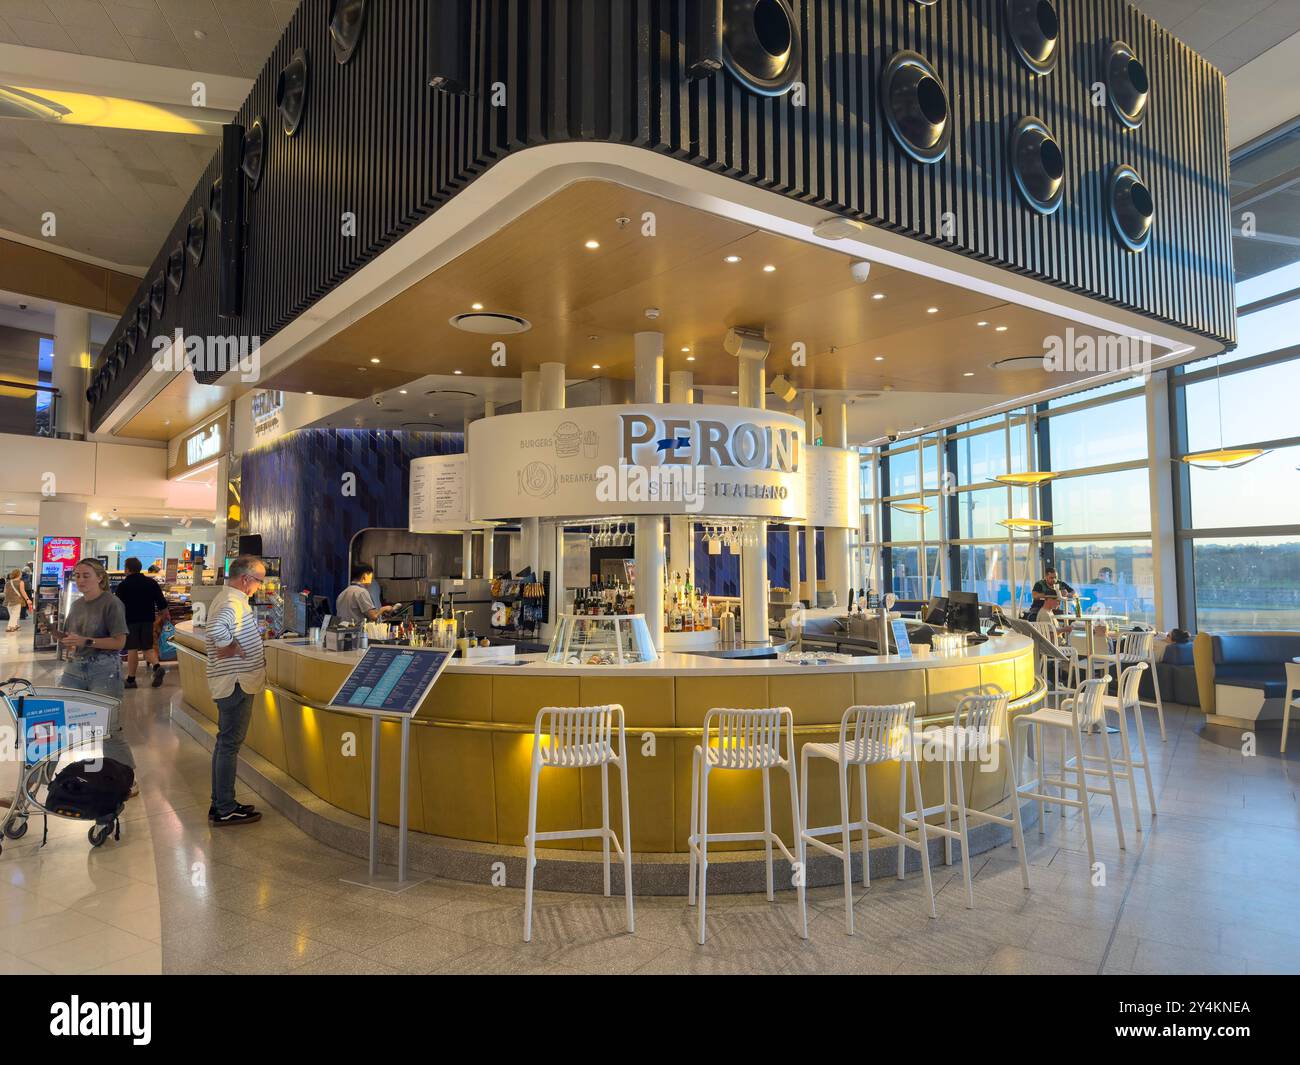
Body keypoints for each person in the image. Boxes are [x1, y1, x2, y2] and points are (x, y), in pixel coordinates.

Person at [58, 559, 136, 780]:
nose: (80, 580)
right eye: (77, 575)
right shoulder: (76, 605)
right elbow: (74, 637)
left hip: (104, 670)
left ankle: (126, 780)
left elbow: (119, 642)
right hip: (74, 668)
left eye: (86, 575)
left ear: (100, 577)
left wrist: (85, 641)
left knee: (107, 728)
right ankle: (36, 781)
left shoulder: (112, 603)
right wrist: (66, 641)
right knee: (58, 723)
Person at [205, 555, 267, 826]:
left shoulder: (230, 599)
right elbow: (218, 628)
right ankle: (225, 807)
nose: (260, 587)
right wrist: (232, 647)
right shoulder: (233, 601)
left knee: (225, 744)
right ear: (246, 579)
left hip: (233, 681)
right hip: (236, 682)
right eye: (259, 581)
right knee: (229, 744)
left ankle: (221, 801)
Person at [115, 557, 170, 688]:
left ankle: (131, 679)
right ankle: (157, 667)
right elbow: (161, 602)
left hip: (130, 621)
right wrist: (164, 614)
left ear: (127, 569)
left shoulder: (123, 585)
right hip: (147, 621)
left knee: (132, 649)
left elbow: (117, 606)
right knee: (148, 648)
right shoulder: (150, 583)